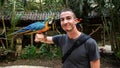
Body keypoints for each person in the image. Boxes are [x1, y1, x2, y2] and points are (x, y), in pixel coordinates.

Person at [35, 8, 100, 68]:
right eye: (62, 19)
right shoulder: (61, 39)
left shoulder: (90, 43)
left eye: (68, 18)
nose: (65, 22)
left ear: (75, 21)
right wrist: (39, 37)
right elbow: (46, 39)